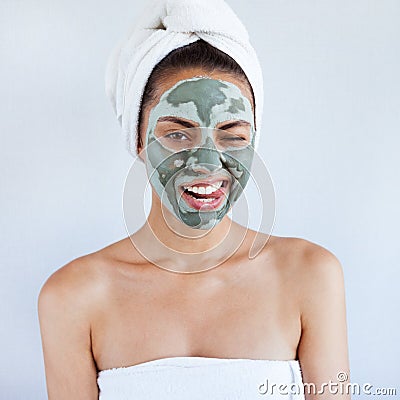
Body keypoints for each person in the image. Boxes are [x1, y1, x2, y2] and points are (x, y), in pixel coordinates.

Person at [37, 1, 350, 399]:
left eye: (232, 136)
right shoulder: (73, 297)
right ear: (137, 139)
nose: (206, 163)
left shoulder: (310, 276)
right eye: (177, 134)